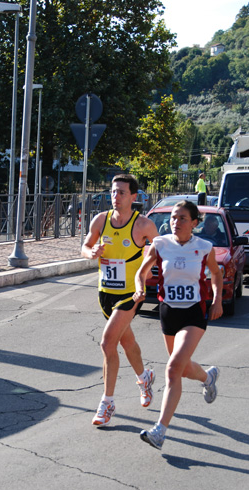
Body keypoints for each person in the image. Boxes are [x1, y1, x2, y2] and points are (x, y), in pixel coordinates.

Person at [133, 200, 223, 450]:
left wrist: (216, 300)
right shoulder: (160, 244)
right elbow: (142, 272)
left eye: (182, 218)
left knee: (172, 368)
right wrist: (140, 288)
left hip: (194, 313)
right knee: (181, 369)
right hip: (168, 312)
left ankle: (159, 431)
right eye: (173, 217)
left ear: (194, 223)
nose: (176, 222)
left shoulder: (204, 247)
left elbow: (216, 273)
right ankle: (208, 377)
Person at [81, 173, 158, 427]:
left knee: (106, 343)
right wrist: (91, 252)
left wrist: (143, 275)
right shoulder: (100, 220)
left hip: (130, 294)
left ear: (134, 197)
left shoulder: (143, 225)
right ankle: (144, 377)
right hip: (105, 293)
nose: (116, 197)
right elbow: (85, 246)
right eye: (113, 192)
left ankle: (107, 402)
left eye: (122, 192)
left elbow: (157, 253)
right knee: (126, 341)